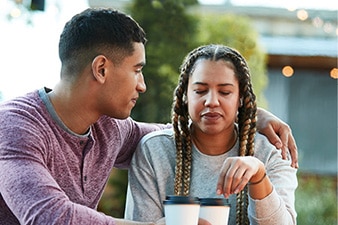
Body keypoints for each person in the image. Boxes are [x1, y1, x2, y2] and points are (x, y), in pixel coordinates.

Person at [0, 7, 296, 225]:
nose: (142, 85)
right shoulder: (14, 127)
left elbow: (183, 131)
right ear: (101, 69)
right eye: (137, 70)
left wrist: (251, 114)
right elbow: (50, 218)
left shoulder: (111, 128)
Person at [125, 44, 298, 225]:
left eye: (225, 92)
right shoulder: (154, 151)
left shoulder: (270, 152)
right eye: (200, 91)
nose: (211, 101)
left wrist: (258, 176)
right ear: (185, 95)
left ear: (240, 98)